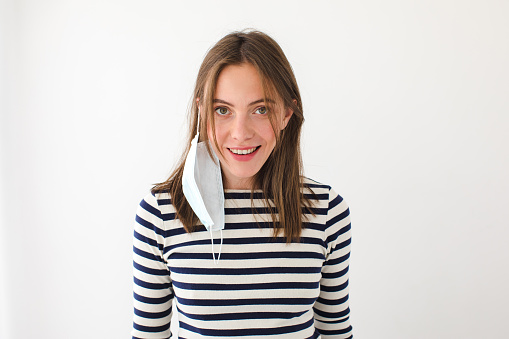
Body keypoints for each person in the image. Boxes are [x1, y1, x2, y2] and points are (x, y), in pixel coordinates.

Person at [132, 30, 353, 339]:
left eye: (260, 109)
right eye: (223, 110)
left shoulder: (326, 212)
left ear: (287, 113)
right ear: (202, 110)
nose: (240, 133)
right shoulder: (160, 213)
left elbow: (335, 331)